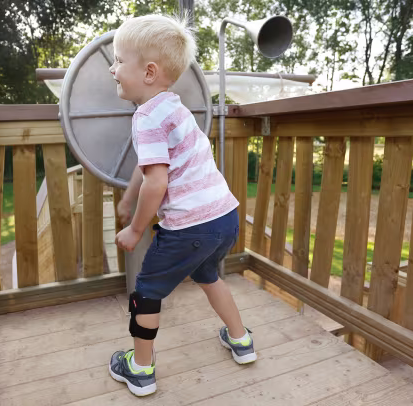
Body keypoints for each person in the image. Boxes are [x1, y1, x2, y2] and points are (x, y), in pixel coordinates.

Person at [108, 14, 256, 397]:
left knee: (146, 291)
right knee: (208, 274)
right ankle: (241, 341)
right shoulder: (174, 108)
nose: (113, 68)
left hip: (189, 227)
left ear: (149, 71)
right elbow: (153, 167)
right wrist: (128, 197)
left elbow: (157, 181)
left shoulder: (145, 118)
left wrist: (136, 229)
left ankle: (140, 369)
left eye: (120, 61)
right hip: (224, 217)